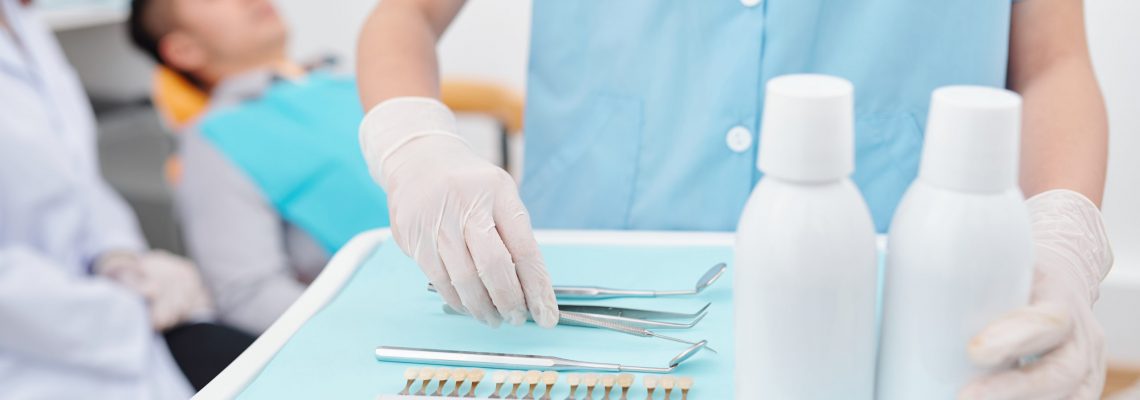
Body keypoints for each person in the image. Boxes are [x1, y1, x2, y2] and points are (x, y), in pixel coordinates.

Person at [355, 0, 1114, 398]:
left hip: (893, 308)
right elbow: (406, 12)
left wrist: (1062, 235)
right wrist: (412, 141)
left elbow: (1052, 61)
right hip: (578, 304)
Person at [0, 0, 252, 397]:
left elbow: (77, 180)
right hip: (34, 358)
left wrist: (118, 257)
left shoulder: (21, 22)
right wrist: (123, 311)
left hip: (121, 329)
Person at [128, 0, 390, 335]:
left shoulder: (344, 83)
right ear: (184, 50)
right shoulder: (215, 140)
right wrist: (372, 327)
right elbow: (248, 294)